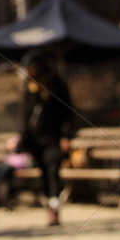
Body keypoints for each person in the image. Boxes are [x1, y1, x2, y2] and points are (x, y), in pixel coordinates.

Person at [19, 51, 76, 226]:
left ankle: (54, 207)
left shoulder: (57, 86)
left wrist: (66, 136)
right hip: (35, 141)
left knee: (53, 171)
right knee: (44, 173)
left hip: (53, 138)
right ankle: (49, 205)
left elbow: (68, 114)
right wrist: (21, 136)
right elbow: (24, 116)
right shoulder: (29, 88)